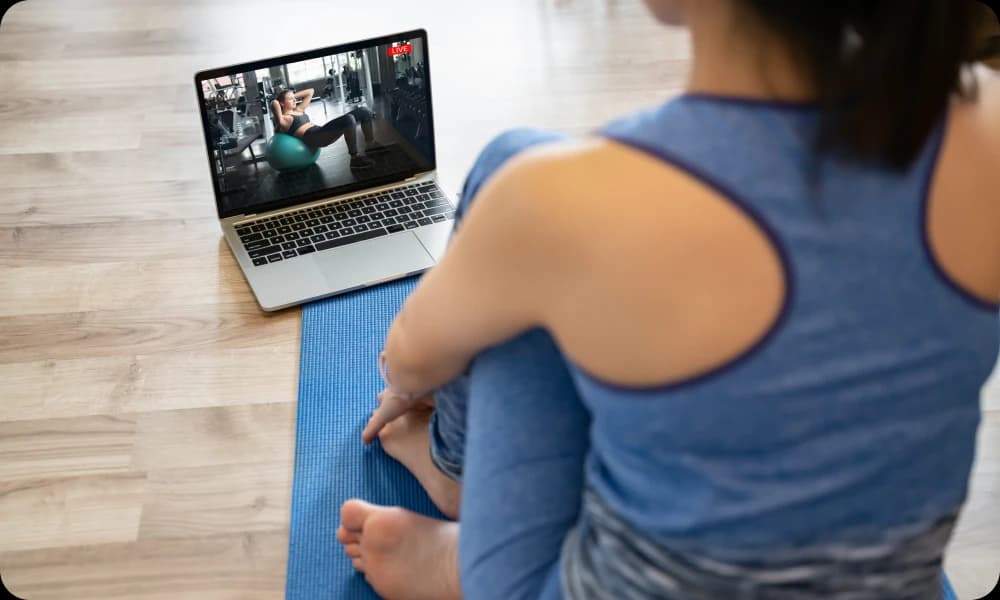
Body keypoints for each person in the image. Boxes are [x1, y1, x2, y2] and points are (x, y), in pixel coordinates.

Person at [336, 1, 1000, 599]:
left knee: (519, 178)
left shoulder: (562, 201)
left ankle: (460, 491)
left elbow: (413, 359)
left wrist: (409, 376)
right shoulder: (989, 123)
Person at [270, 88, 381, 170]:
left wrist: (291, 95)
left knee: (364, 111)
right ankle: (354, 159)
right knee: (349, 119)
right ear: (282, 103)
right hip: (313, 137)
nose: (294, 100)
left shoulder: (299, 109)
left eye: (294, 98)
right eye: (290, 99)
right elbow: (274, 103)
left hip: (320, 130)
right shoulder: (284, 120)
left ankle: (371, 145)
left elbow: (311, 91)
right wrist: (279, 100)